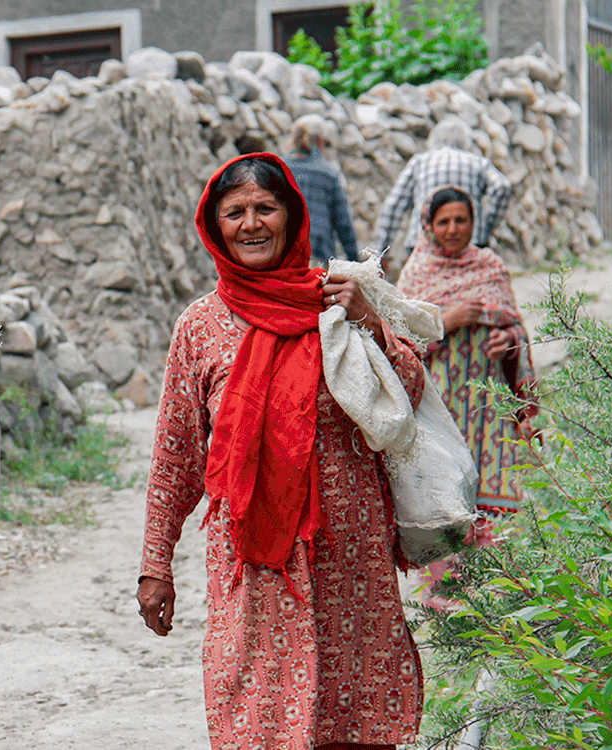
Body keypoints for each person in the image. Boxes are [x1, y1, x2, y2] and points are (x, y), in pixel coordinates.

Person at [136, 152, 425, 749]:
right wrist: (154, 565)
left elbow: (411, 393)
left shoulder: (338, 305)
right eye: (234, 212)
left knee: (356, 713)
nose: (251, 223)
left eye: (265, 208)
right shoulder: (200, 326)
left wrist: (369, 320)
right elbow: (176, 455)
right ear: (214, 225)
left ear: (292, 218)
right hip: (256, 565)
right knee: (257, 715)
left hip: (349, 553)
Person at [397, 186, 537, 514]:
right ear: (429, 226)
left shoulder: (491, 267)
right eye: (444, 221)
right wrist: (447, 321)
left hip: (489, 406)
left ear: (474, 224)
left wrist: (510, 340)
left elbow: (517, 328)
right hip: (437, 406)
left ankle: (494, 565)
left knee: (495, 503)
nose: (453, 229)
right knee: (443, 505)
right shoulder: (416, 274)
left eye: (461, 220)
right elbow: (398, 343)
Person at [372, 117, 512, 270]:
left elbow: (393, 206)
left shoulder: (419, 162)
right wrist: (485, 225)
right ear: (465, 140)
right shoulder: (478, 162)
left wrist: (381, 251)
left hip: (422, 245)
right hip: (470, 242)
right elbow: (502, 186)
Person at [283, 114, 359, 267]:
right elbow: (343, 223)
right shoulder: (329, 173)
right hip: (318, 252)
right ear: (320, 141)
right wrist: (354, 259)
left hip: (284, 250)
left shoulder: (279, 168)